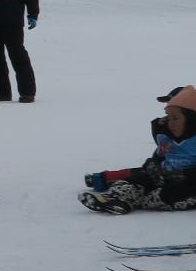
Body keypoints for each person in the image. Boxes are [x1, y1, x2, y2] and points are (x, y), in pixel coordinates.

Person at [80, 86, 196, 214]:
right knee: (137, 179)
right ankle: (115, 199)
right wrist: (152, 165)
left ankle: (140, 200)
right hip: (163, 176)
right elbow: (159, 156)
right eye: (168, 117)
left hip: (186, 184)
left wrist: (185, 175)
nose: (170, 123)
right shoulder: (168, 138)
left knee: (174, 193)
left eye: (175, 118)